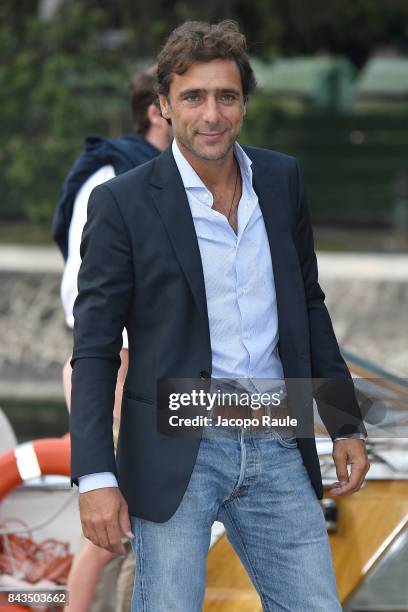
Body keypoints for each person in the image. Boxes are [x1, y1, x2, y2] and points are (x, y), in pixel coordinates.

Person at [70, 20, 370, 611]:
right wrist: (96, 478)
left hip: (276, 436)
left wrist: (344, 423)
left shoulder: (282, 181)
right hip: (177, 443)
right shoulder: (121, 204)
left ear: (243, 104)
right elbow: (96, 348)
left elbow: (308, 306)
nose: (212, 114)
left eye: (226, 96)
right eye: (193, 97)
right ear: (163, 106)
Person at [53, 67, 172, 612]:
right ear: (157, 110)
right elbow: (88, 286)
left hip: (148, 366)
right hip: (117, 362)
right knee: (118, 527)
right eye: (185, 97)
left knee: (136, 526)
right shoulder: (114, 177)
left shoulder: (164, 173)